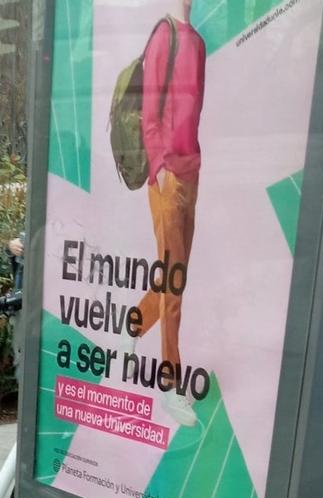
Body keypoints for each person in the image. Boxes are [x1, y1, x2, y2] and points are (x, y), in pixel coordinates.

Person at [127, 0, 206, 427]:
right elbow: (149, 110)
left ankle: (133, 326)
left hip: (191, 173)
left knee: (176, 278)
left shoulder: (199, 43)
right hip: (168, 177)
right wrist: (158, 168)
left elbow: (193, 114)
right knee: (174, 287)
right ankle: (169, 388)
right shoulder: (165, 35)